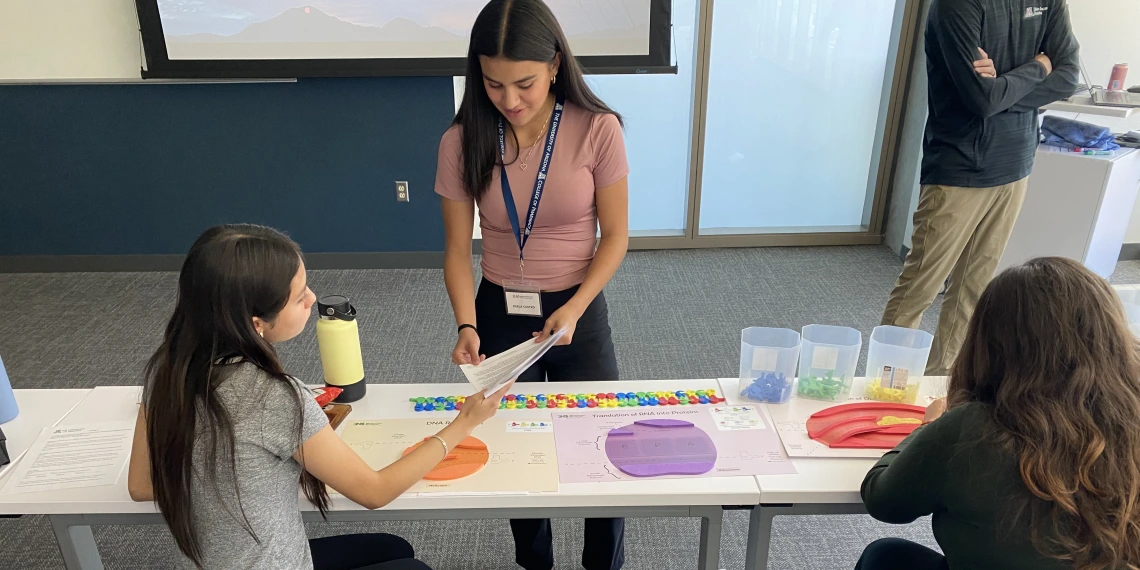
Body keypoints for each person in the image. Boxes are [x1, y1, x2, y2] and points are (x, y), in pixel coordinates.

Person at [126, 224, 511, 570]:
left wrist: (246, 473)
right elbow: (374, 493)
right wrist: (466, 422)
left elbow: (141, 485)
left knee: (394, 547)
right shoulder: (273, 396)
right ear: (256, 324)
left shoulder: (167, 371)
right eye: (298, 298)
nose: (312, 298)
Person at [433, 0, 630, 567]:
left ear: (554, 65)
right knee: (515, 443)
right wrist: (466, 322)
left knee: (599, 444)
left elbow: (615, 236)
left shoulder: (598, 129)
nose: (511, 100)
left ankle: (603, 563)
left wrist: (575, 307)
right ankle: (534, 562)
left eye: (524, 83)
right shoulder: (461, 140)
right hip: (497, 307)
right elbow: (455, 249)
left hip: (576, 309)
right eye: (494, 85)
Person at [859, 257, 1140, 570]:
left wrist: (927, 427)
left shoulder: (972, 429)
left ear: (990, 345)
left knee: (885, 558)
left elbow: (883, 499)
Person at [881, 0, 1080, 375]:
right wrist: (1038, 66)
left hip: (1016, 165)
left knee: (973, 291)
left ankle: (942, 387)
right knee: (921, 287)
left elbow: (1069, 76)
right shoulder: (955, 6)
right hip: (958, 169)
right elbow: (981, 100)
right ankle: (887, 383)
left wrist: (1004, 80)